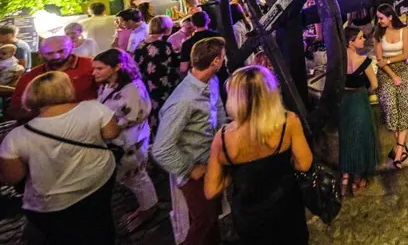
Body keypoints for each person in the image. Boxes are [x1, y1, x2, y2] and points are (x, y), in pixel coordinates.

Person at [0, 71, 120, 244]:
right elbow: (111, 133)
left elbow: (12, 177)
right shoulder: (93, 108)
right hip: (98, 180)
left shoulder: (16, 137)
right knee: (101, 224)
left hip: (51, 202)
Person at [204, 65, 312, 245]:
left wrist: (236, 175)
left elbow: (211, 190)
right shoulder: (289, 122)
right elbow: (304, 164)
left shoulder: (222, 138)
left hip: (249, 216)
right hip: (286, 207)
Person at [153, 37, 228, 245]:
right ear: (215, 61)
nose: (224, 59)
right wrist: (190, 169)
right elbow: (161, 149)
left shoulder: (211, 81)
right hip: (196, 170)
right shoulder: (183, 101)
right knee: (203, 221)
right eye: (223, 56)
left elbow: (218, 112)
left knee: (212, 216)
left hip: (211, 162)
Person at [92, 49, 158, 231]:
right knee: (129, 177)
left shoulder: (132, 89)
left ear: (117, 67)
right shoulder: (107, 85)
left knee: (136, 176)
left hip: (130, 142)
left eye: (100, 68)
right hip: (117, 141)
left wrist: (108, 127)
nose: (95, 73)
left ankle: (149, 207)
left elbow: (134, 116)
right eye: (94, 68)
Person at [8, 35, 97, 121]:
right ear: (40, 54)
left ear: (72, 47)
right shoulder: (30, 77)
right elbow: (16, 109)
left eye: (61, 51)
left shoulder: (93, 66)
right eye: (49, 53)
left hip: (89, 120)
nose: (56, 56)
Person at [374, 4, 408, 169]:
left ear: (390, 17)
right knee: (389, 103)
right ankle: (402, 146)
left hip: (402, 67)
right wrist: (392, 75)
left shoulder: (404, 30)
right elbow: (379, 60)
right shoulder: (378, 34)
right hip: (385, 71)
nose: (379, 21)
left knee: (406, 99)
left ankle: (399, 148)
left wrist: (389, 60)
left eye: (381, 18)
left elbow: (405, 55)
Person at [339, 27, 378, 196]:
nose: (364, 40)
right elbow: (374, 85)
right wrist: (367, 91)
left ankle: (344, 178)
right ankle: (357, 180)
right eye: (360, 38)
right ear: (351, 42)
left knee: (347, 138)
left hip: (344, 102)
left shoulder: (338, 60)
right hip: (359, 99)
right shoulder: (363, 61)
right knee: (361, 138)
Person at [134, 15, 181, 133]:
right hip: (163, 86)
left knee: (152, 114)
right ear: (166, 28)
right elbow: (174, 63)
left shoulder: (140, 45)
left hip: (146, 85)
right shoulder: (164, 46)